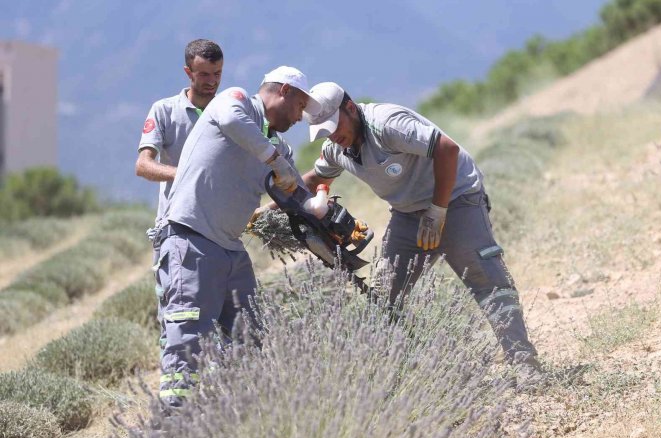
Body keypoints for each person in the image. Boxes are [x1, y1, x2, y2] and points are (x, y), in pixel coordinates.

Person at [300, 82, 540, 370]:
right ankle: (411, 372)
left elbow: (446, 149)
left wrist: (438, 211)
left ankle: (525, 365)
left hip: (456, 199)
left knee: (486, 281)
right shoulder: (338, 148)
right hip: (407, 214)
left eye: (333, 126)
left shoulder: (387, 124)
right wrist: (265, 210)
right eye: (324, 132)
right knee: (384, 294)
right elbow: (314, 179)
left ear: (350, 108)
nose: (332, 136)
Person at [155, 66, 321, 406]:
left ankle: (242, 416)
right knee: (186, 339)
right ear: (284, 92)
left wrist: (323, 214)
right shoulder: (237, 101)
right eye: (301, 107)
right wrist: (275, 162)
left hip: (230, 250)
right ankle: (172, 427)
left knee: (250, 335)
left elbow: (295, 193)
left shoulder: (277, 145)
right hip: (191, 238)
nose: (302, 117)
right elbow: (233, 123)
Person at [135, 38, 223, 363]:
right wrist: (184, 174)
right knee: (176, 321)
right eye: (204, 74)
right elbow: (143, 165)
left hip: (218, 233)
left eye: (217, 73)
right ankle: (176, 400)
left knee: (218, 325)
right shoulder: (165, 111)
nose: (212, 81)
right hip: (176, 232)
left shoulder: (227, 110)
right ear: (188, 72)